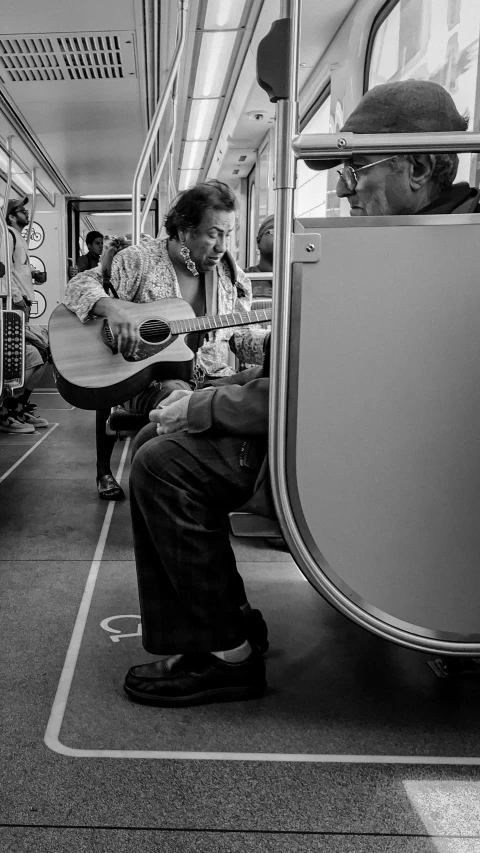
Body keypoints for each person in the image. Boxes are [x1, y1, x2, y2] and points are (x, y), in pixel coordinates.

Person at [122, 79, 479, 708]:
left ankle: (226, 653)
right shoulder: (419, 246)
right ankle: (225, 624)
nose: (342, 188)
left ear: (419, 168)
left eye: (353, 168)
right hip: (352, 426)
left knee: (160, 461)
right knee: (158, 433)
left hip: (357, 444)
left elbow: (325, 388)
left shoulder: (422, 258)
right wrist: (226, 390)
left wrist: (207, 402)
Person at [63, 180, 268, 500]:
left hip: (212, 377)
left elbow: (235, 337)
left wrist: (270, 344)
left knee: (271, 388)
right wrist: (114, 307)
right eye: (213, 234)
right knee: (179, 397)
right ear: (184, 231)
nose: (222, 247)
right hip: (147, 379)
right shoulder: (140, 260)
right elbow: (77, 289)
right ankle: (161, 495)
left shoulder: (231, 276)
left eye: (228, 234)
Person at [0, 196, 50, 433]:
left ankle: (18, 407)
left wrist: (34, 275)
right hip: (13, 306)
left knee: (41, 352)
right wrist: (18, 300)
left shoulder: (18, 238)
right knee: (23, 358)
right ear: (11, 216)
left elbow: (18, 270)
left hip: (22, 307)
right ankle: (6, 411)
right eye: (21, 210)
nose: (25, 213)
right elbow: (4, 272)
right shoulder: (7, 235)